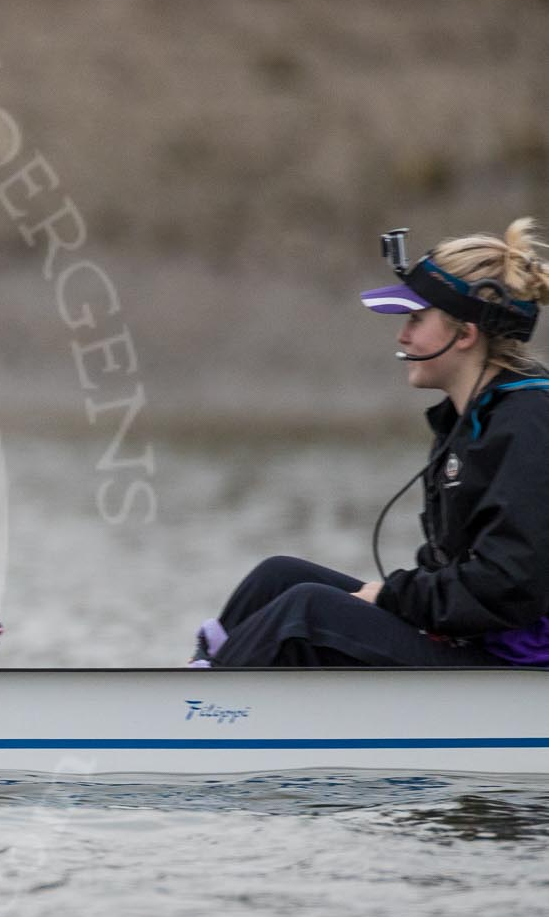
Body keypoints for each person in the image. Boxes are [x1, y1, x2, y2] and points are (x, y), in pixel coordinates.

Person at [199, 218, 549, 668]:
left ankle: (197, 718)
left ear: (465, 335)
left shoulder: (529, 424)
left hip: (519, 672)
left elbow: (511, 584)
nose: (402, 335)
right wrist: (402, 601)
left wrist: (393, 598)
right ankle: (197, 689)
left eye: (416, 319)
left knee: (306, 611)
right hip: (479, 645)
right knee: (279, 577)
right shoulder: (468, 421)